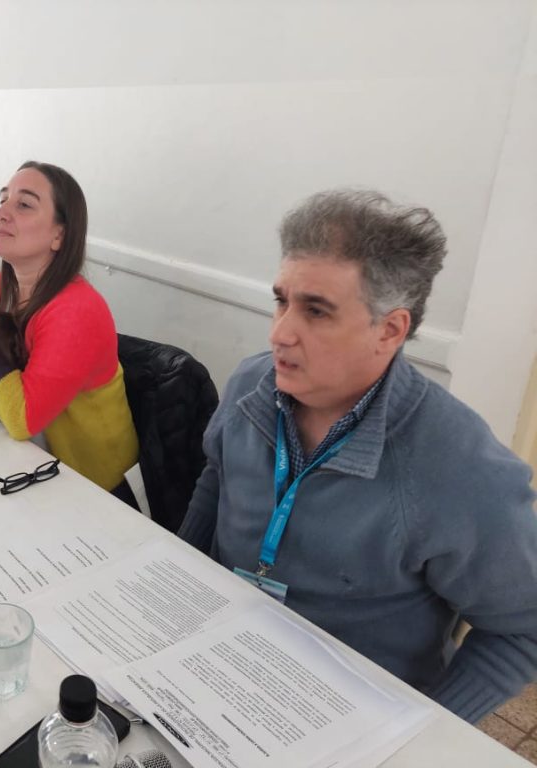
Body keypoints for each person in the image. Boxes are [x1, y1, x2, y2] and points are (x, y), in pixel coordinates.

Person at [177, 189, 537, 723]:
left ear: (390, 330)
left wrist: (419, 739)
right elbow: (219, 476)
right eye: (281, 301)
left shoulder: (460, 465)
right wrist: (177, 589)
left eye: (316, 311)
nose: (279, 333)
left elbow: (522, 628)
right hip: (217, 666)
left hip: (347, 717)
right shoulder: (252, 383)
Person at [0, 161, 138, 497]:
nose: (1, 214)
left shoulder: (77, 309)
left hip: (94, 490)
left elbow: (22, 420)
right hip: (28, 467)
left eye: (23, 204)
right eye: (2, 200)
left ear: (59, 235)